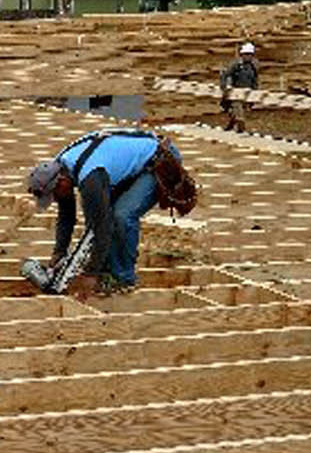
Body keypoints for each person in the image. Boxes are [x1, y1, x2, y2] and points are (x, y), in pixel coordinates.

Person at [26, 129, 187, 299]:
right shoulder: (60, 167)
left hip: (159, 162)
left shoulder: (90, 177)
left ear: (61, 182)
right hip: (130, 166)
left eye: (54, 195)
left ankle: (124, 279)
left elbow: (102, 228)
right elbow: (67, 216)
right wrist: (59, 253)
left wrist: (91, 274)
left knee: (122, 216)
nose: (56, 199)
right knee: (97, 219)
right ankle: (108, 270)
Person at [219, 41, 259, 132]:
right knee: (239, 115)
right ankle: (241, 131)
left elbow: (255, 81)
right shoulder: (236, 65)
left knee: (237, 113)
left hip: (247, 94)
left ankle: (229, 127)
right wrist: (225, 87)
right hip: (235, 94)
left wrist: (254, 94)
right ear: (242, 55)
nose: (248, 57)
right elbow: (225, 75)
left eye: (250, 55)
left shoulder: (252, 67)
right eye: (246, 54)